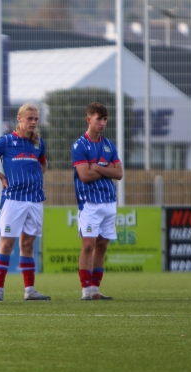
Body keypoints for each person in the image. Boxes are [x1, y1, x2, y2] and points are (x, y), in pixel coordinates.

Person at [0, 103, 51, 301]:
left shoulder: (38, 143)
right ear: (19, 119)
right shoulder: (6, 141)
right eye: (30, 118)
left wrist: (36, 174)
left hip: (35, 199)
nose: (33, 122)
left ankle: (30, 290)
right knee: (6, 244)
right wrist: (1, 177)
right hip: (13, 200)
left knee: (28, 244)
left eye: (36, 119)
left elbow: (44, 163)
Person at [72, 102, 123, 300]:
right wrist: (106, 168)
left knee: (102, 245)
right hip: (89, 203)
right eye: (98, 119)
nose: (102, 123)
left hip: (109, 201)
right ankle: (86, 289)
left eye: (105, 119)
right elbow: (84, 175)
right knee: (88, 245)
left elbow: (119, 173)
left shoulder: (109, 145)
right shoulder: (79, 145)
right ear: (88, 120)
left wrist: (98, 168)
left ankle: (95, 288)